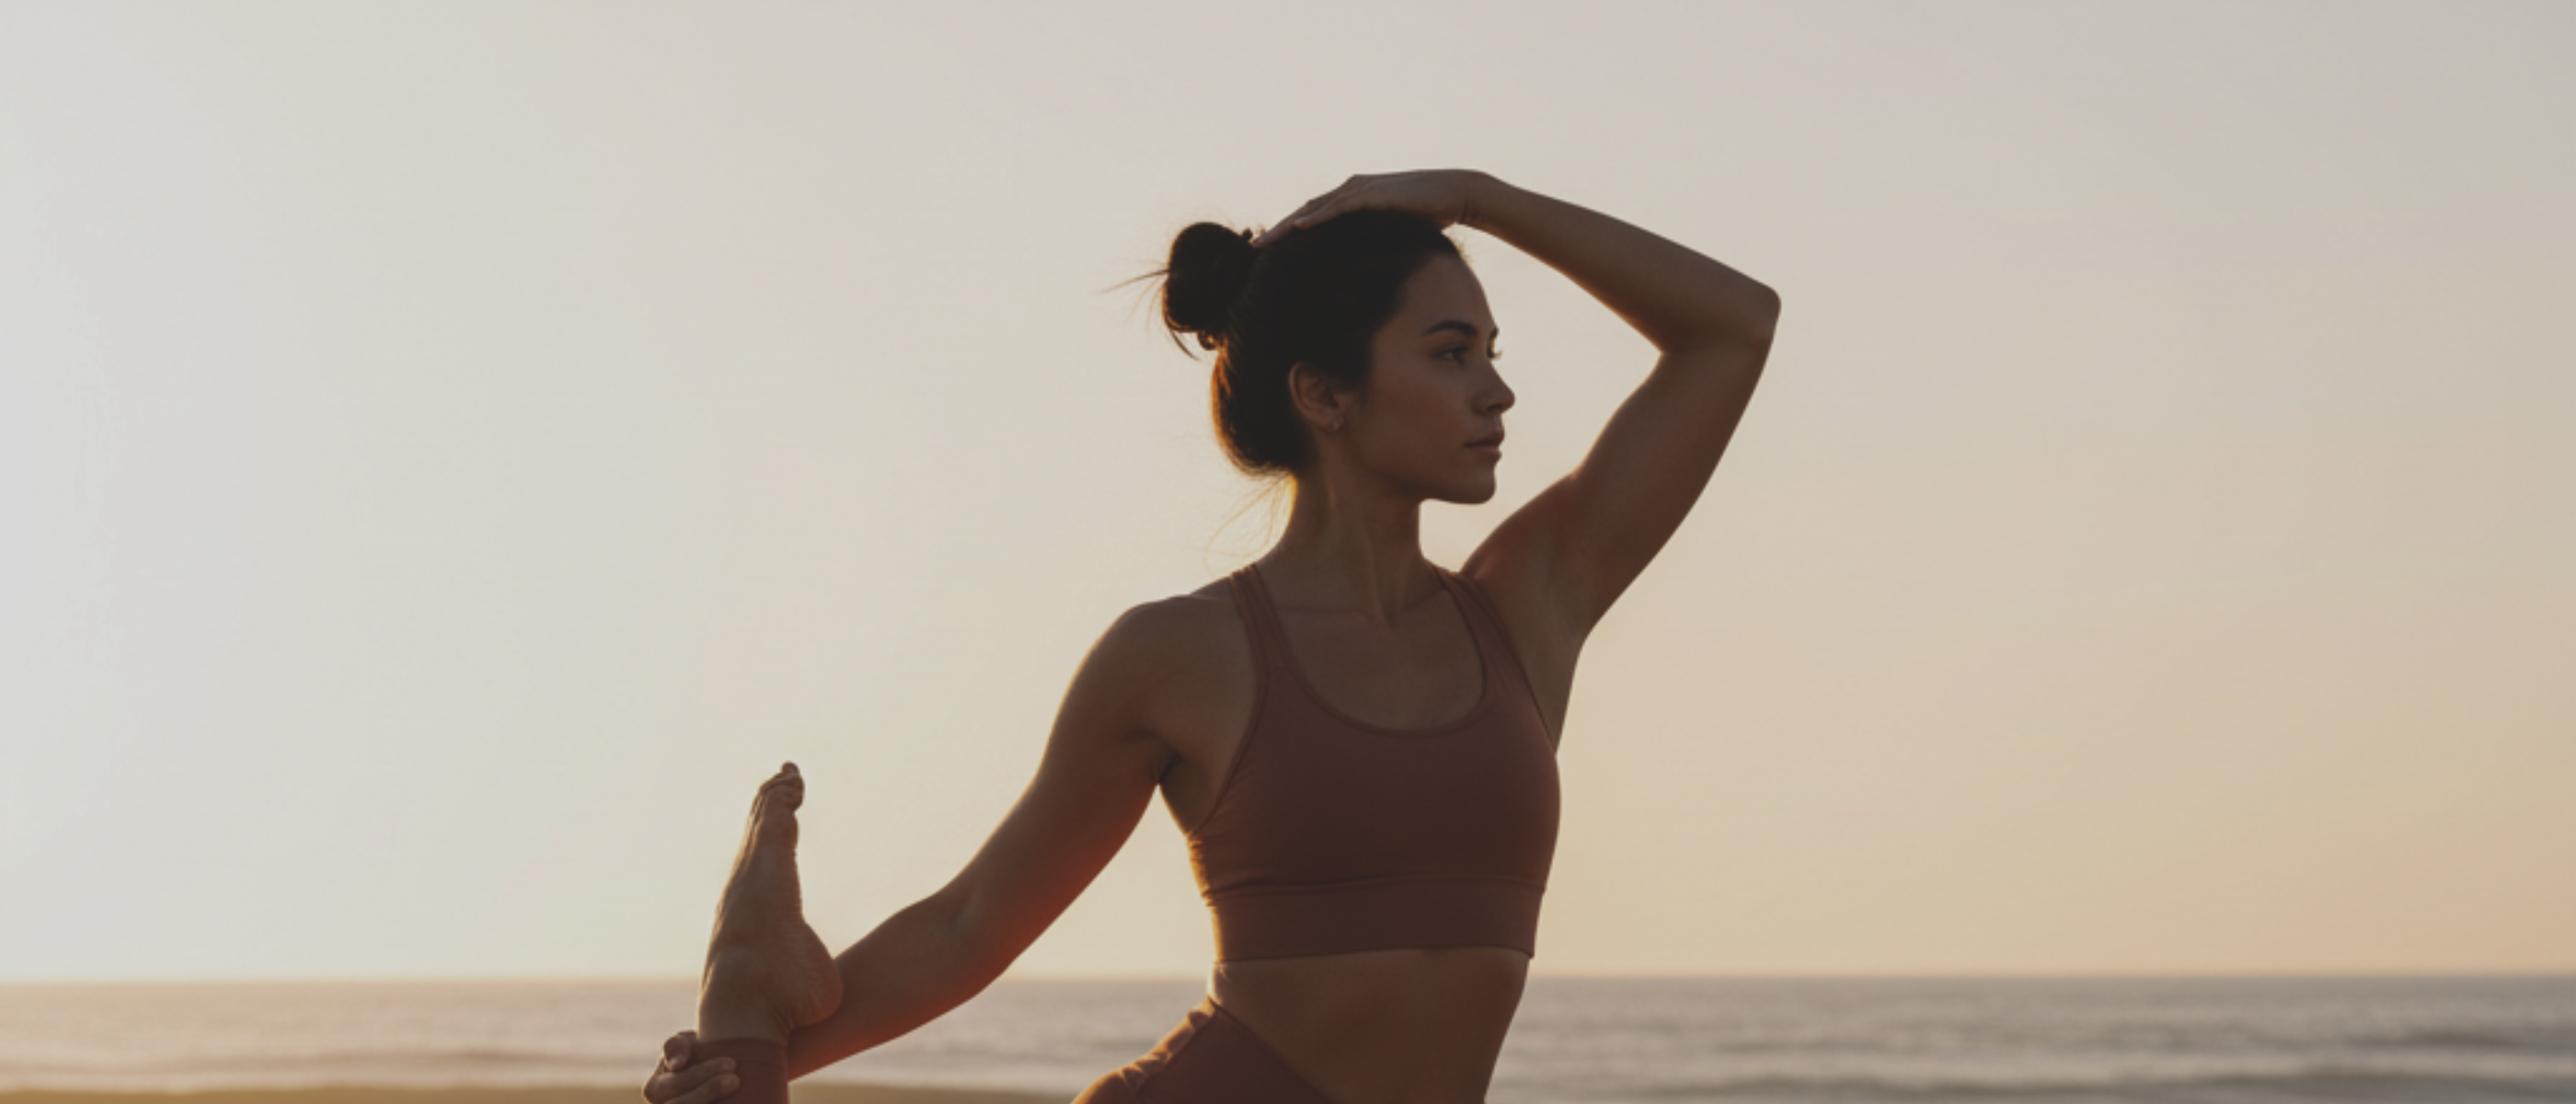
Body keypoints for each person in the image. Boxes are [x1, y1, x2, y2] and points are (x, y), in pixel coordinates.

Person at [643, 169, 1779, 1104]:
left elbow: (1732, 329)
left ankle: (756, 997)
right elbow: (974, 923)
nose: (1498, 393)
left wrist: (1473, 197)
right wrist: (753, 1072)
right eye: (1448, 353)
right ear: (1323, 397)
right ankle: (753, 997)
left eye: (1490, 349)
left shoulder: (1530, 604)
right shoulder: (1183, 655)